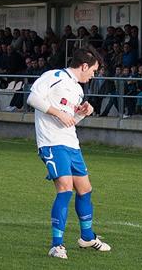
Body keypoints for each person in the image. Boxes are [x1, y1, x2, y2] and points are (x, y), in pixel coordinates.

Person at [26, 48, 111, 259]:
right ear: (83, 66)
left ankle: (87, 237)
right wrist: (59, 113)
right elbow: (33, 99)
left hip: (71, 143)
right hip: (52, 143)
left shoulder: (78, 90)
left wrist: (82, 114)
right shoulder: (54, 76)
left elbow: (70, 120)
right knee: (65, 189)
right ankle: (57, 245)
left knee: (85, 189)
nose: (93, 75)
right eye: (93, 70)